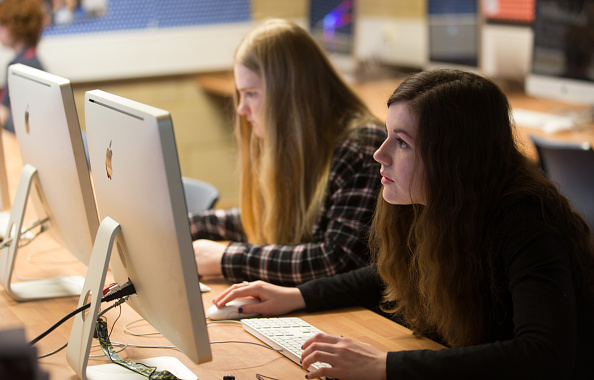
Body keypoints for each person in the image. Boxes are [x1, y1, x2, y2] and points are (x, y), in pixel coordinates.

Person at [211, 69, 594, 379]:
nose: (380, 154)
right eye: (387, 136)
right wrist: (297, 296)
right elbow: (391, 273)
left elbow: (542, 355)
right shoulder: (435, 201)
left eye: (403, 143)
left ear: (453, 158)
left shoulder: (528, 223)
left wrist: (385, 366)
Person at [190, 19, 385, 286]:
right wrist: (189, 224)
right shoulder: (301, 140)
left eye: (252, 94)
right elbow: (271, 215)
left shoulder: (362, 147)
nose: (241, 109)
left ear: (289, 94)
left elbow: (335, 259)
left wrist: (227, 258)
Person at [0, 0, 46, 133]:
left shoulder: (26, 66)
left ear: (16, 26)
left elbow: (27, 123)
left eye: (2, 24)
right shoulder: (22, 60)